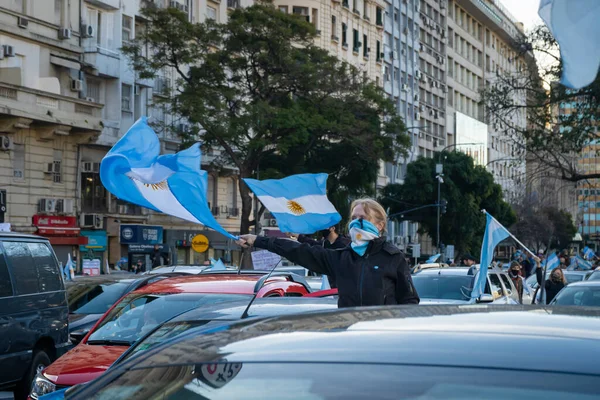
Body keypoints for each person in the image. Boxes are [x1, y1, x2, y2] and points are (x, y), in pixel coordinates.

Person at [237, 198, 420, 308]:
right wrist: (258, 240)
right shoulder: (341, 257)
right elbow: (299, 251)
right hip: (349, 336)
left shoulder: (393, 257)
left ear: (379, 225)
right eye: (353, 218)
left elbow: (410, 300)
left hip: (383, 338)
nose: (356, 222)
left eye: (362, 218)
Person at [297, 224, 350, 288]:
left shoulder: (344, 244)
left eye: (325, 227)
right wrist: (298, 236)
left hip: (345, 285)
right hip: (331, 285)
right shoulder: (325, 244)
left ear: (333, 228)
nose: (323, 229)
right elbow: (313, 244)